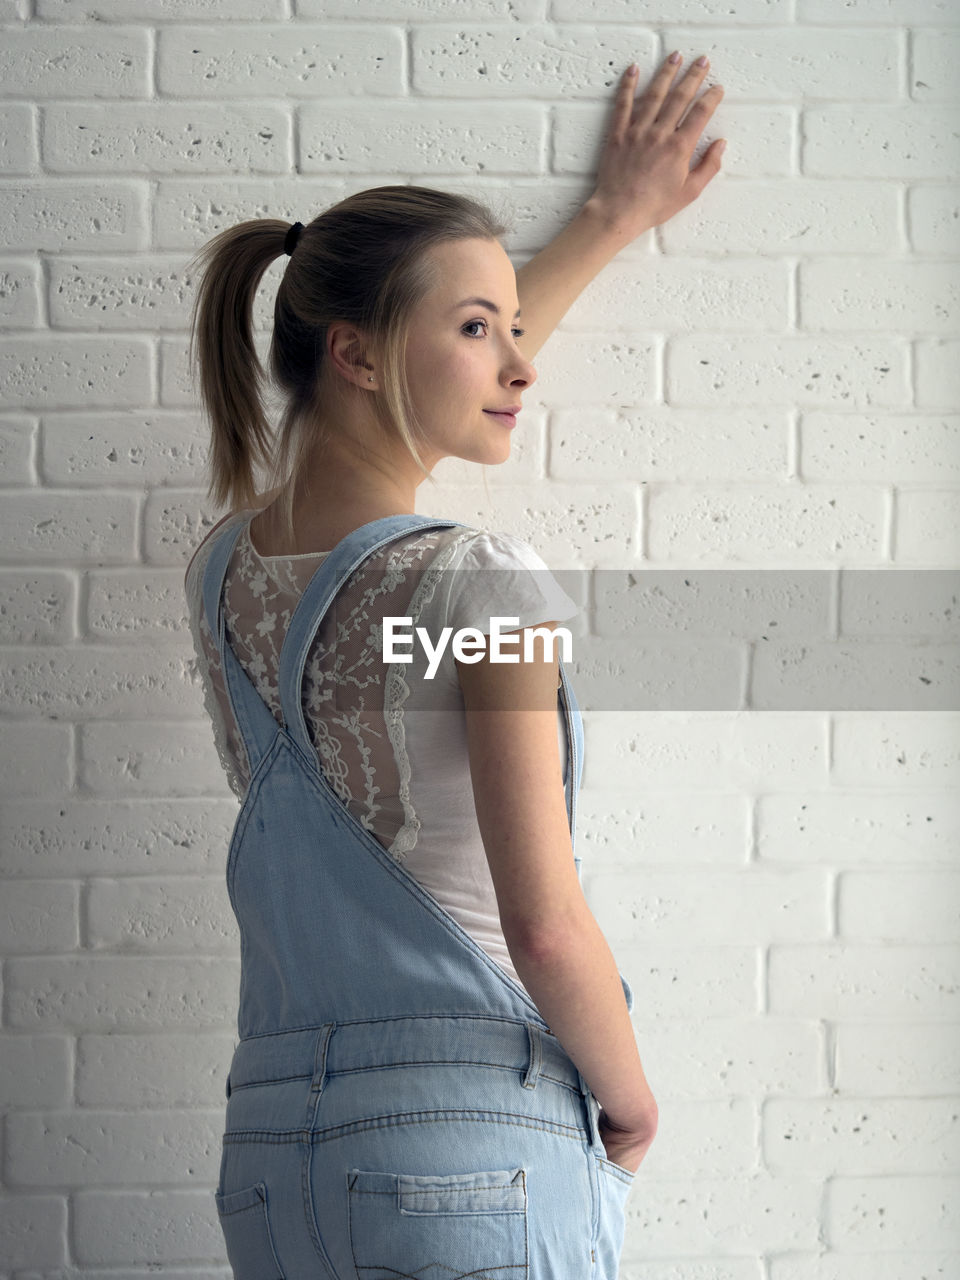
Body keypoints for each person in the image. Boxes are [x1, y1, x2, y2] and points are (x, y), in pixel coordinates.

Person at [183, 52, 724, 1279]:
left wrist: (605, 221)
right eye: (482, 332)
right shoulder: (480, 583)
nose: (518, 364)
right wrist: (628, 1096)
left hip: (273, 1158)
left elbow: (424, 359)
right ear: (359, 354)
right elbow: (540, 921)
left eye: (512, 329)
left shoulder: (220, 575)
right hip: (475, 1143)